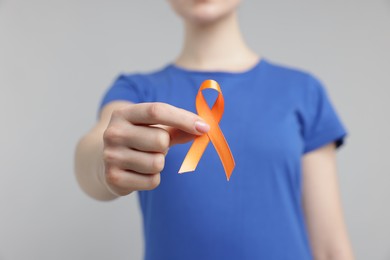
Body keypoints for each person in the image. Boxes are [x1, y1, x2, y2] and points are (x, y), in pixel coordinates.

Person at [75, 0, 355, 259]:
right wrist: (104, 166)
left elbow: (331, 247)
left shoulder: (303, 92)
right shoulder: (138, 92)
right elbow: (96, 148)